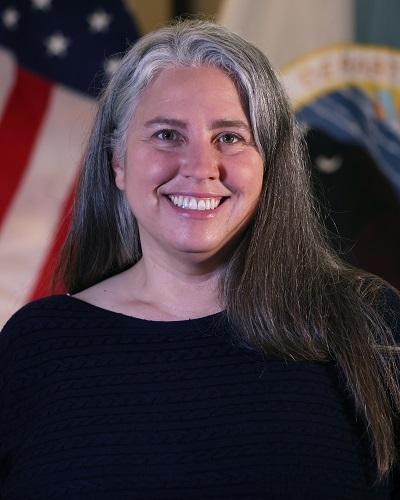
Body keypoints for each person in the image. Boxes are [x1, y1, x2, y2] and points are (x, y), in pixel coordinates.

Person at [0, 19, 399, 500]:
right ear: (118, 164)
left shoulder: (366, 324)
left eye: (229, 137)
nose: (200, 168)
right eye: (167, 135)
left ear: (269, 164)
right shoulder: (36, 347)